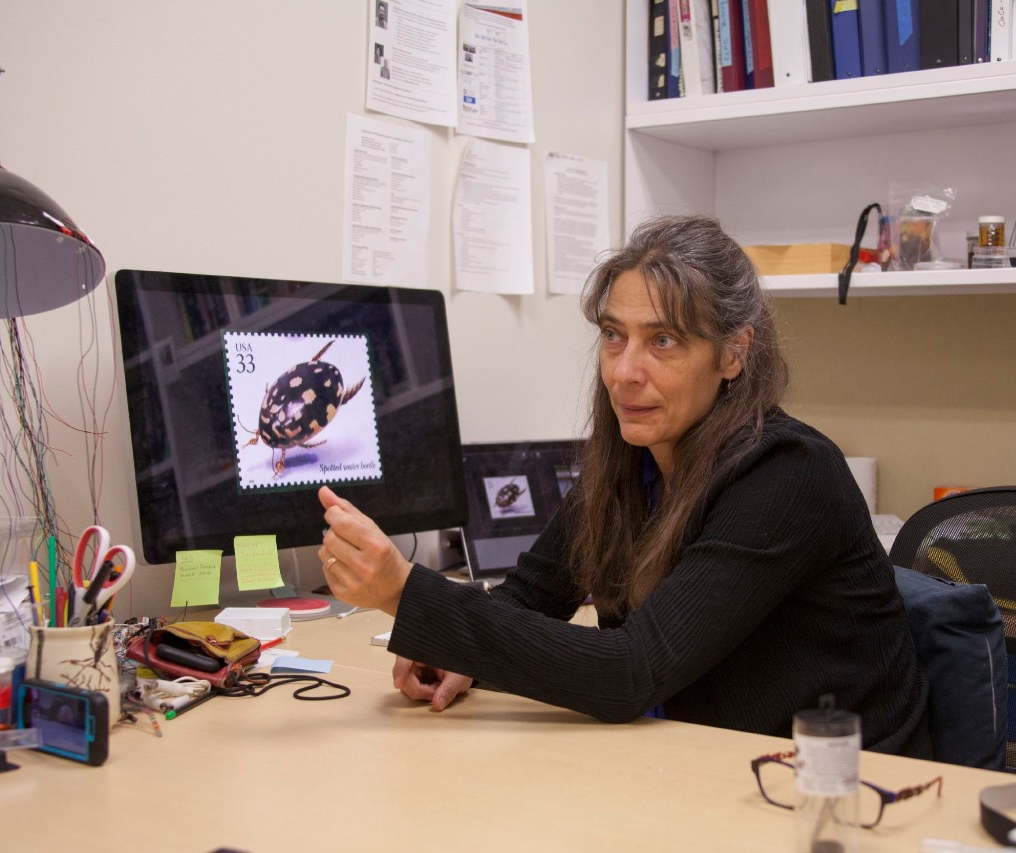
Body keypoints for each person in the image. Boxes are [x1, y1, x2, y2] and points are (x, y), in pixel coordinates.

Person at [318, 215, 931, 756]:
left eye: (662, 341)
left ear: (733, 353)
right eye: (614, 336)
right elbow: (532, 595)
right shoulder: (629, 460)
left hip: (831, 791)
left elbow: (629, 671)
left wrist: (407, 594)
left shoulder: (787, 473)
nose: (624, 372)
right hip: (692, 761)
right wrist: (455, 651)